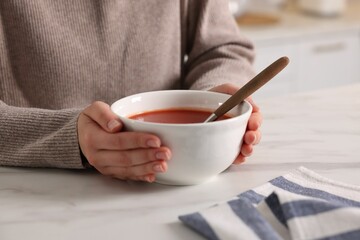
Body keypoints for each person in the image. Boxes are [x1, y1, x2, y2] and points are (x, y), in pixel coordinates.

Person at [0, 0, 262, 183]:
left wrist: (211, 97)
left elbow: (222, 48)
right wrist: (68, 137)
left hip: (182, 188)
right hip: (37, 195)